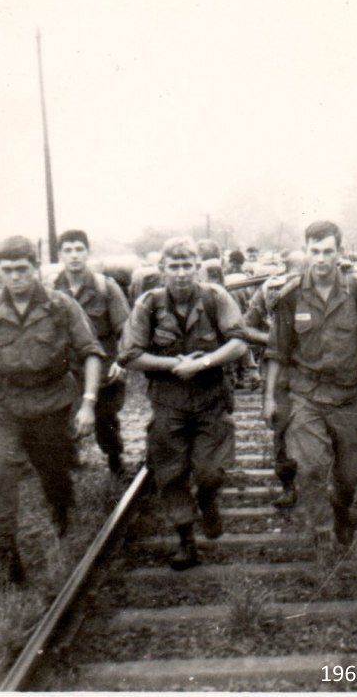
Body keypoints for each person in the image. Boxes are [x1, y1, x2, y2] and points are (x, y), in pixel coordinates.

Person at [118, 237, 248, 570]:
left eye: (187, 266)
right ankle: (186, 539)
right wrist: (174, 364)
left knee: (210, 472)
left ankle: (207, 501)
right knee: (171, 473)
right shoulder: (149, 304)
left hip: (211, 398)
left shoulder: (216, 297)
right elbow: (129, 354)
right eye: (173, 267)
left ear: (198, 268)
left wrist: (201, 364)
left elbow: (238, 343)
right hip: (168, 401)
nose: (181, 274)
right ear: (162, 270)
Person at [263, 221, 357, 544]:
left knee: (351, 475)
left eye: (328, 252)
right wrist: (269, 398)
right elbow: (276, 352)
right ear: (306, 252)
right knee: (310, 467)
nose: (321, 259)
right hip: (306, 394)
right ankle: (322, 530)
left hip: (348, 395)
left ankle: (341, 509)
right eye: (315, 251)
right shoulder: (291, 297)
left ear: (339, 252)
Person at [0, 236, 104, 587]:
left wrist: (87, 403)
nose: (15, 277)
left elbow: (91, 352)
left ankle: (62, 517)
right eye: (7, 270)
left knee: (54, 474)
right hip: (6, 407)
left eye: (22, 269)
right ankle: (5, 556)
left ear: (35, 268)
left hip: (53, 404)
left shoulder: (61, 306)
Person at [54, 230, 131, 474]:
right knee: (63, 417)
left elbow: (126, 329)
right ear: (60, 255)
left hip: (103, 368)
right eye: (68, 250)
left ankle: (115, 459)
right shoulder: (52, 290)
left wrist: (122, 360)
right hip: (67, 369)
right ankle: (71, 460)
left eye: (79, 250)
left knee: (105, 419)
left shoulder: (104, 287)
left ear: (87, 253)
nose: (74, 256)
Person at [244, 250, 306, 508]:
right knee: (281, 425)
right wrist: (275, 340)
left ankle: (300, 484)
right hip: (280, 366)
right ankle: (289, 485)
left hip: (313, 367)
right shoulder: (270, 291)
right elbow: (246, 327)